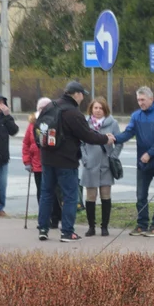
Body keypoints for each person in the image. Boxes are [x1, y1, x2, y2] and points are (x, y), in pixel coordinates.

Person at [37, 81, 115, 242]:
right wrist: (105, 139)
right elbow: (87, 135)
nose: (82, 99)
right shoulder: (73, 113)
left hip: (47, 158)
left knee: (46, 194)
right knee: (70, 196)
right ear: (76, 94)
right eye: (82, 95)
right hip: (66, 161)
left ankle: (43, 229)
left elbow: (36, 129)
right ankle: (67, 232)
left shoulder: (49, 107)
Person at [117, 87, 154, 237]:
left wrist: (150, 153)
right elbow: (128, 133)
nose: (140, 103)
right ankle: (142, 224)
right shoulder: (136, 116)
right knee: (141, 195)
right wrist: (114, 138)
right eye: (138, 100)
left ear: (151, 99)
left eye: (143, 100)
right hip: (143, 164)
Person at [80, 96, 122, 237]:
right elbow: (80, 143)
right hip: (90, 165)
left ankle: (105, 227)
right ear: (91, 109)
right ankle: (91, 226)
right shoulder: (85, 123)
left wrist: (113, 155)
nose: (98, 111)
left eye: (101, 108)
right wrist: (85, 159)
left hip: (106, 165)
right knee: (91, 196)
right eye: (95, 108)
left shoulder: (112, 123)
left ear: (105, 110)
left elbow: (119, 141)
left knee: (105, 196)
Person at [23, 97, 61, 228]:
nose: (43, 111)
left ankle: (55, 218)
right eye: (40, 108)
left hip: (53, 163)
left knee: (55, 193)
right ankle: (44, 219)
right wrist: (27, 161)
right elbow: (26, 144)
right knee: (42, 193)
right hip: (37, 165)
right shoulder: (32, 124)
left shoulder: (56, 122)